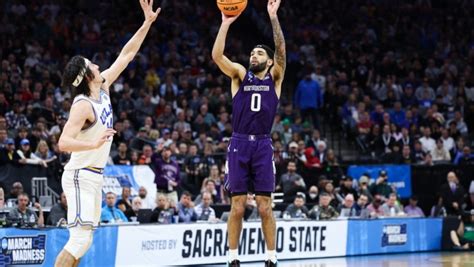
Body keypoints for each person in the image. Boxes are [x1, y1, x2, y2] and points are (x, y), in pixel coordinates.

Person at [54, 1, 161, 266]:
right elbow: (63, 142)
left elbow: (127, 54)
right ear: (87, 75)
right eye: (92, 65)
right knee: (78, 241)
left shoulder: (103, 88)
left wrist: (146, 23)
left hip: (94, 175)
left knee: (85, 241)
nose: (98, 66)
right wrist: (94, 144)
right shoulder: (82, 105)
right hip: (79, 175)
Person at [212, 0, 286, 265]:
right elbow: (217, 57)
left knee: (266, 207)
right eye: (252, 53)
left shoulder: (275, 77)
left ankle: (271, 258)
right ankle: (233, 258)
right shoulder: (240, 75)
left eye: (258, 54)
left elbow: (281, 52)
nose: (253, 56)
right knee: (238, 206)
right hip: (239, 144)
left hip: (263, 146)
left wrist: (273, 18)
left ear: (268, 61)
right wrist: (224, 24)